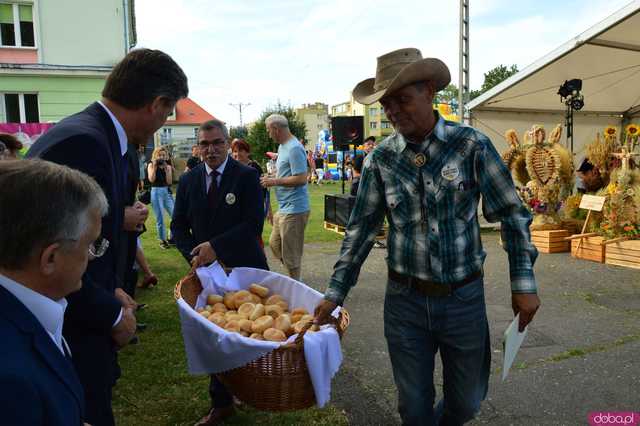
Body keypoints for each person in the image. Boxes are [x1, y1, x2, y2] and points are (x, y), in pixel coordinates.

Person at [314, 48, 540, 426]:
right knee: (413, 408)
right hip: (405, 304)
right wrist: (335, 293)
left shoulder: (471, 145)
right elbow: (361, 229)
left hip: (463, 300)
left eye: (402, 100)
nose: (393, 112)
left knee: (467, 402)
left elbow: (513, 215)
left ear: (430, 91)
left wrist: (524, 282)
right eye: (386, 104)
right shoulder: (381, 159)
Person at [27, 48, 188, 426]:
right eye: (167, 113)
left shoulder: (105, 140)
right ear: (157, 103)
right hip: (69, 325)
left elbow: (92, 244)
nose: (163, 122)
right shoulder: (83, 144)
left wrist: (113, 289)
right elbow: (47, 257)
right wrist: (110, 312)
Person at [171, 119, 268, 426]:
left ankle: (249, 387)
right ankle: (221, 402)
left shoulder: (247, 176)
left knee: (248, 333)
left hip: (245, 269)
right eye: (205, 144)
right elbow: (177, 227)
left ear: (228, 143)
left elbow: (253, 224)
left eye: (216, 143)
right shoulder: (189, 180)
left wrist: (216, 246)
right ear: (199, 147)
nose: (210, 150)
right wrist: (195, 255)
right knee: (215, 334)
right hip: (208, 273)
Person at [0, 159, 109, 425]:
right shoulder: (10, 379)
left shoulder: (30, 309)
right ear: (51, 258)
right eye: (91, 244)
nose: (93, 256)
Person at [260, 114, 310, 280]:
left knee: (291, 255)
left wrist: (274, 181)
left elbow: (302, 178)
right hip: (285, 208)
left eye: (269, 130)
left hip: (295, 209)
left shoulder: (294, 148)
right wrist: (274, 174)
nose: (268, 134)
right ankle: (293, 273)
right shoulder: (283, 147)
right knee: (274, 245)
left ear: (276, 129)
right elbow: (287, 171)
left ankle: (296, 284)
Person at [231, 138, 274, 228]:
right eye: (235, 151)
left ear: (247, 153)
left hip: (252, 209)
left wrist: (269, 210)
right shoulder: (232, 168)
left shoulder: (255, 168)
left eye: (241, 150)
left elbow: (264, 191)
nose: (237, 154)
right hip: (235, 209)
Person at [148, 146, 175, 248]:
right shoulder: (151, 165)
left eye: (164, 155)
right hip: (156, 191)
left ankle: (171, 238)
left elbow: (169, 182)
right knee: (160, 218)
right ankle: (162, 240)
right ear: (155, 155)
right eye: (160, 155)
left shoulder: (167, 166)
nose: (162, 157)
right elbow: (151, 179)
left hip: (166, 191)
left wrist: (167, 170)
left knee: (175, 215)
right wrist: (155, 167)